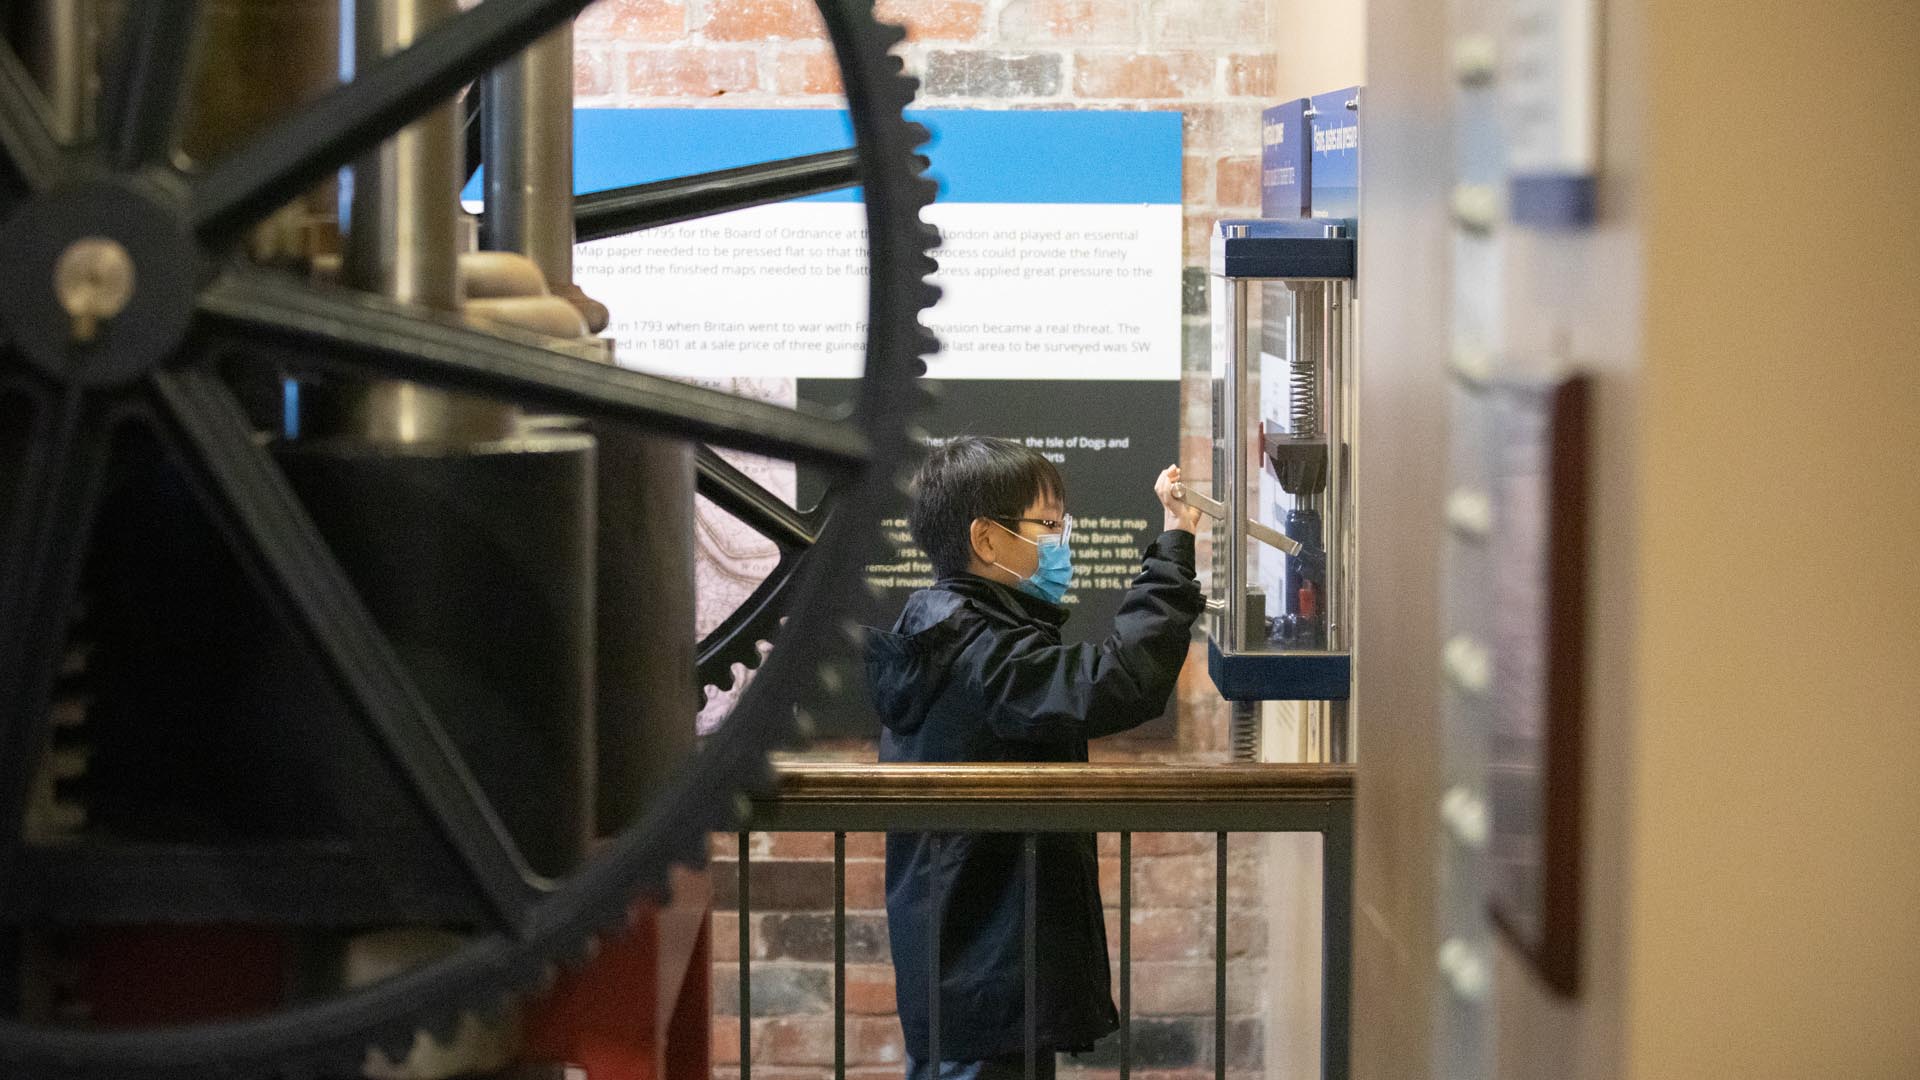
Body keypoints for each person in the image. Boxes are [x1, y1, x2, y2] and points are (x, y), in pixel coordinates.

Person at [865, 435, 1205, 1080]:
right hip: (986, 969)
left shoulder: (955, 629)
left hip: (980, 963)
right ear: (987, 540)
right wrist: (1172, 552)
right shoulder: (973, 647)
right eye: (1048, 525)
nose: (1061, 540)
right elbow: (1116, 681)